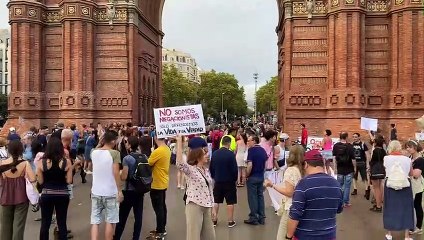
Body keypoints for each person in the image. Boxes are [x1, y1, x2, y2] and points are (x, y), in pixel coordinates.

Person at [286, 149, 343, 240]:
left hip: (305, 236)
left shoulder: (303, 184)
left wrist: (288, 236)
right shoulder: (336, 184)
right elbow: (339, 209)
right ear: (322, 164)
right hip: (329, 236)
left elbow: (295, 214)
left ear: (306, 164)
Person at [176, 134, 215, 240]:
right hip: (194, 206)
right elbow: (179, 164)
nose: (207, 155)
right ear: (198, 157)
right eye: (205, 154)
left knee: (210, 236)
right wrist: (179, 142)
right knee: (194, 236)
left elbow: (210, 189)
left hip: (207, 206)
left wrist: (213, 207)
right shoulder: (191, 170)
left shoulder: (206, 170)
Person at [264, 145, 303, 240]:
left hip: (290, 207)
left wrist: (272, 185)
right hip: (301, 206)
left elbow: (289, 192)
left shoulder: (290, 171)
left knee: (282, 236)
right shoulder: (303, 170)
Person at [0, 140, 36, 240]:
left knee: (5, 228)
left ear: (9, 150)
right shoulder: (25, 164)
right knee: (19, 226)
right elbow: (33, 179)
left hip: (5, 197)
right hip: (21, 197)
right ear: (21, 149)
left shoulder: (2, 163)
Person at [38, 137, 73, 240]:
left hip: (47, 193)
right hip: (62, 194)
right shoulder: (67, 162)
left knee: (45, 223)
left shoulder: (41, 162)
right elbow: (69, 181)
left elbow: (40, 181)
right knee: (62, 222)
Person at [90, 130, 123, 240]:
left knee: (95, 220)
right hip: (110, 191)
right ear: (113, 141)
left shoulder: (93, 152)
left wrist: (101, 141)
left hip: (96, 190)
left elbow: (98, 147)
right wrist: (119, 190)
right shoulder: (115, 153)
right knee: (110, 220)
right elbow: (116, 172)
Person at [114, 136, 146, 240]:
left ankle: (117, 237)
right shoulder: (144, 156)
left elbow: (124, 177)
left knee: (122, 217)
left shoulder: (127, 159)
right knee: (138, 217)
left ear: (130, 145)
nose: (126, 144)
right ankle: (135, 237)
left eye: (127, 142)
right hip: (140, 189)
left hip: (129, 190)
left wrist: (119, 174)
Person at [383, 140, 414, 240]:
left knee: (390, 208)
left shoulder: (386, 158)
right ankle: (406, 236)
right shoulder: (407, 159)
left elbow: (386, 170)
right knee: (407, 209)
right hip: (405, 185)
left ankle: (389, 234)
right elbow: (411, 173)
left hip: (390, 185)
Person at [210, 136, 238, 228]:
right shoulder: (231, 155)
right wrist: (234, 179)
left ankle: (214, 220)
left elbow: (211, 167)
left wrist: (214, 176)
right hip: (229, 181)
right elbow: (234, 169)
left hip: (218, 180)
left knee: (216, 200)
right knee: (230, 201)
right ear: (229, 143)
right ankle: (230, 221)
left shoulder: (215, 154)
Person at [147, 137, 171, 239]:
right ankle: (161, 228)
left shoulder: (158, 151)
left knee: (158, 208)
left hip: (156, 183)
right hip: (163, 181)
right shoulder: (166, 149)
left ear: (156, 138)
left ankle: (160, 231)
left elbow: (148, 163)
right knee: (162, 206)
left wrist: (152, 152)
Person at [244, 135, 268, 225]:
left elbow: (250, 165)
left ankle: (253, 217)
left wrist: (247, 175)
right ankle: (262, 217)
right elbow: (265, 165)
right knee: (260, 196)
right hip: (260, 176)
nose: (247, 143)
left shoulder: (251, 151)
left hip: (253, 177)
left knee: (252, 197)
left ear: (254, 141)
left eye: (249, 141)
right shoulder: (262, 150)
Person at [405, 140, 424, 235]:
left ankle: (419, 227)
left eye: (409, 147)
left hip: (417, 185)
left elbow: (416, 174)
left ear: (415, 148)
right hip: (410, 184)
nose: (407, 149)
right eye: (407, 147)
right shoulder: (410, 157)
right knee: (412, 205)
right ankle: (412, 224)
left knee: (417, 205)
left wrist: (408, 170)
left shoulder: (420, 159)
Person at [332, 132, 355, 207]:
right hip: (349, 168)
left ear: (340, 137)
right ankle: (346, 202)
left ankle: (339, 201)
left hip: (340, 168)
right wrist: (355, 168)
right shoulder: (350, 146)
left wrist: (334, 168)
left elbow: (334, 158)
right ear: (346, 137)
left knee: (339, 185)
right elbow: (353, 159)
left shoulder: (336, 146)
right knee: (347, 186)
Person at [369, 135, 387, 212]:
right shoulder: (383, 151)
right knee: (380, 187)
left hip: (375, 171)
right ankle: (379, 203)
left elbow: (372, 161)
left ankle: (378, 205)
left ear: (376, 143)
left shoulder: (375, 150)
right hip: (382, 170)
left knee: (376, 189)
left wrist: (369, 169)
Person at [351, 133, 370, 199]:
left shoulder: (362, 144)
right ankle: (355, 189)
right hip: (354, 163)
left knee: (364, 177)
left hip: (362, 162)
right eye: (353, 137)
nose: (354, 138)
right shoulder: (352, 144)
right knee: (354, 177)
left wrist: (367, 163)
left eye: (356, 137)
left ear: (359, 137)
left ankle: (367, 190)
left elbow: (367, 154)